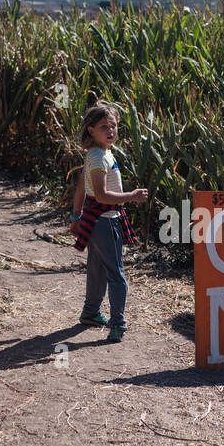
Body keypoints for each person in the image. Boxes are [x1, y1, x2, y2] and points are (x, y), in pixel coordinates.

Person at [70, 102, 148, 342]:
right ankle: (118, 323)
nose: (110, 130)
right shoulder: (98, 157)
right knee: (116, 274)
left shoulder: (99, 154)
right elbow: (101, 195)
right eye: (104, 126)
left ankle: (91, 312)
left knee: (97, 269)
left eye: (113, 126)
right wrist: (131, 197)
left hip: (96, 221)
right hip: (105, 221)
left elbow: (82, 185)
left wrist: (76, 215)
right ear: (91, 130)